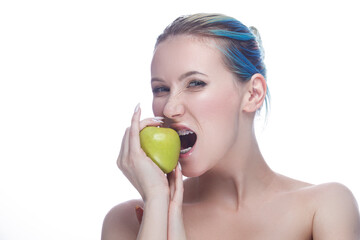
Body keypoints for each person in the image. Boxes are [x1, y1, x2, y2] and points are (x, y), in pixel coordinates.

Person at [101, 13, 360, 239]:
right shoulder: (128, 221)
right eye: (161, 89)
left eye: (195, 83)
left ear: (253, 94)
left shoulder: (322, 208)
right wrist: (158, 204)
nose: (169, 109)